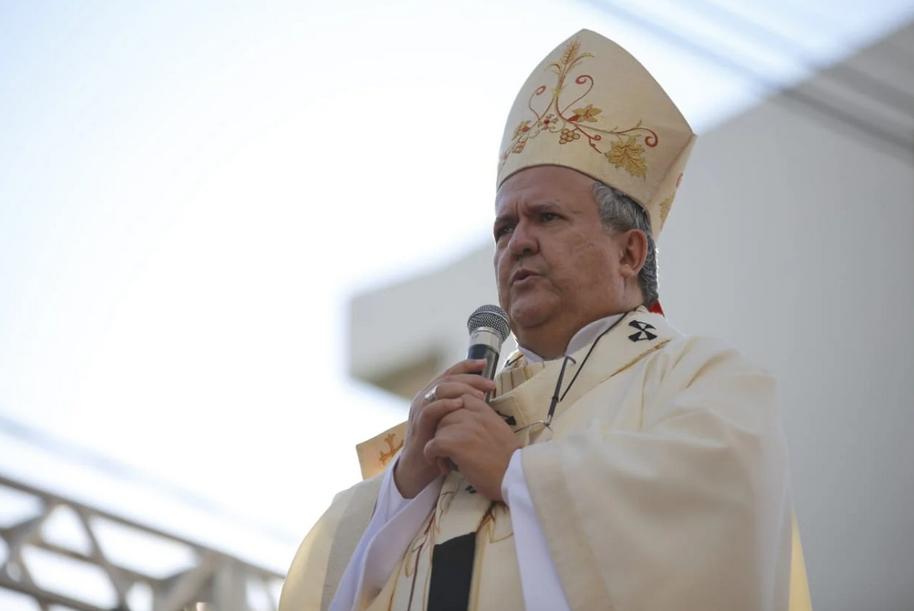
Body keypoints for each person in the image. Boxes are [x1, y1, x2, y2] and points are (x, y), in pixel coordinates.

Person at [279, 29, 811, 611]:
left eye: (548, 217)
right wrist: (404, 486)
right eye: (504, 228)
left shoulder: (700, 381)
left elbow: (718, 516)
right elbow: (323, 579)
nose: (518, 243)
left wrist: (517, 473)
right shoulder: (452, 420)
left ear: (629, 253)